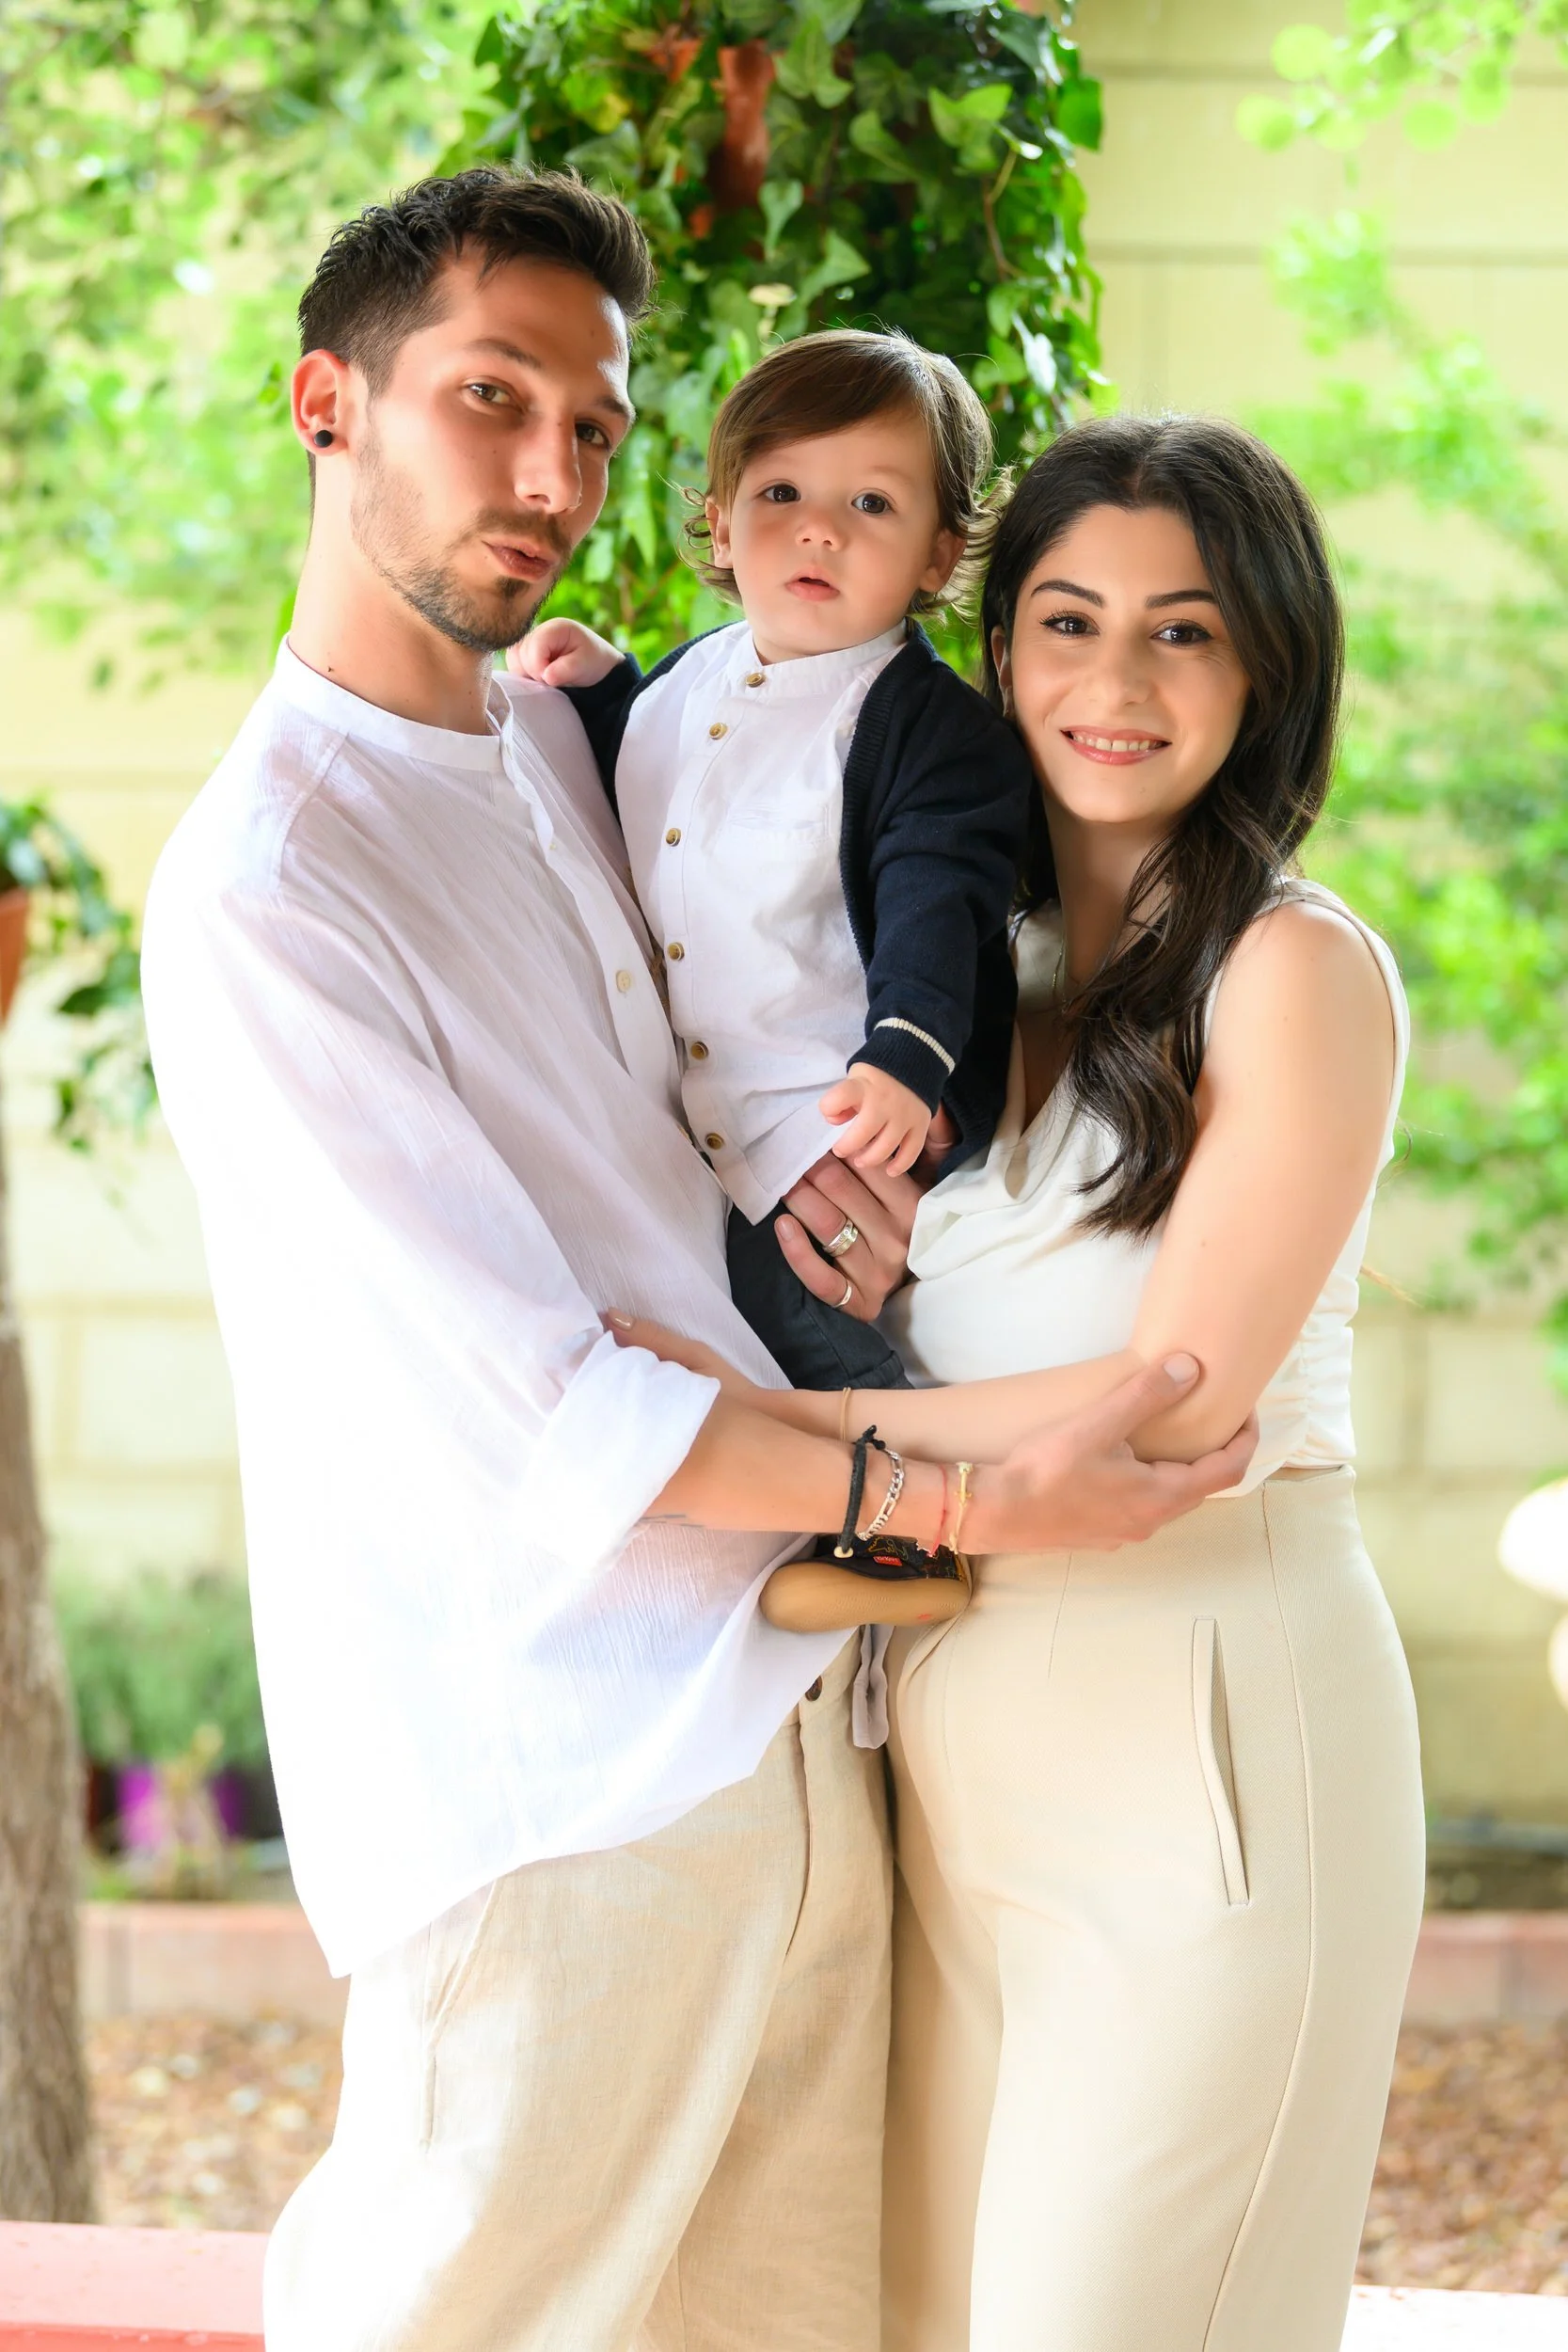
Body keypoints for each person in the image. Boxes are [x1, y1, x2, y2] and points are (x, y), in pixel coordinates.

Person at [138, 169, 1252, 2352]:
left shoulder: (563, 742)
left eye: (597, 422)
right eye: (489, 399)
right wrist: (960, 1493)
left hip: (788, 1736)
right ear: (325, 405)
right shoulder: (271, 886)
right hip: (552, 1802)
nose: (552, 475)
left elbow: (827, 926)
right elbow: (550, 1404)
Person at [614, 415, 1425, 2351]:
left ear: (1267, 666)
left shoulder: (1288, 972)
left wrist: (740, 1442)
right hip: (956, 1764)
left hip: (1204, 1724)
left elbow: (1162, 1397)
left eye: (1182, 632)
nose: (1112, 682)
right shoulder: (960, 983)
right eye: (1063, 621)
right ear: (993, 655)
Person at [510, 329, 1034, 1392]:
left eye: (873, 506)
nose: (820, 533)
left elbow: (938, 893)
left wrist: (905, 1051)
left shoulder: (923, 734)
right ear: (719, 517)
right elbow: (679, 810)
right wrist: (608, 699)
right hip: (677, 1137)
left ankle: (897, 1508)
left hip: (809, 1132)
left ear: (938, 553)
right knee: (684, 1351)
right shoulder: (691, 681)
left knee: (808, 1337)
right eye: (781, 490)